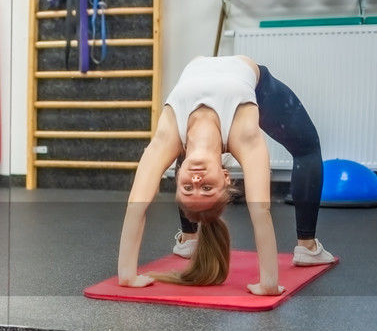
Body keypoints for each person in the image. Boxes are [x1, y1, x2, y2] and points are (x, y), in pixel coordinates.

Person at [117, 55, 336, 293]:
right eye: (207, 188)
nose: (196, 179)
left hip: (197, 81)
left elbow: (136, 205)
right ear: (226, 176)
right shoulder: (244, 136)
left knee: (187, 153)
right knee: (307, 148)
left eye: (188, 187)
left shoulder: (167, 138)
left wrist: (127, 275)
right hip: (256, 83)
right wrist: (269, 283)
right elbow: (260, 210)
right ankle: (307, 247)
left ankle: (189, 239)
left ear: (176, 177)